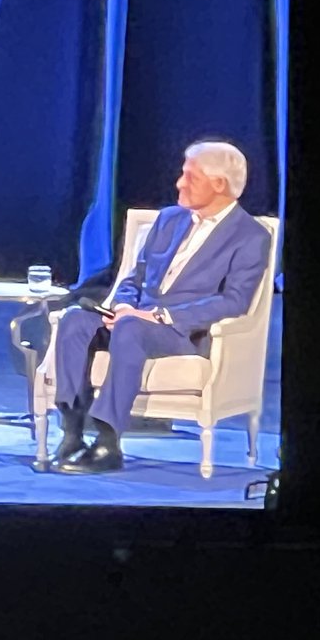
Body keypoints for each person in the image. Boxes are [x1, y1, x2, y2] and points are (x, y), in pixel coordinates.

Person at [46, 140, 272, 473]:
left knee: (131, 328)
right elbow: (132, 278)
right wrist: (122, 306)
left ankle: (108, 444)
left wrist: (157, 316)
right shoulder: (169, 219)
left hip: (183, 334)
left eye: (190, 178)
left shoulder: (250, 236)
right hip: (133, 322)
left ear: (219, 184)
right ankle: (72, 433)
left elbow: (234, 301)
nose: (180, 184)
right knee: (75, 320)